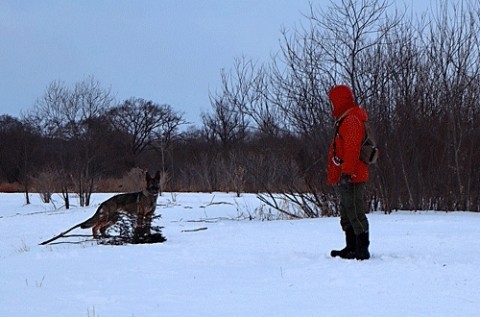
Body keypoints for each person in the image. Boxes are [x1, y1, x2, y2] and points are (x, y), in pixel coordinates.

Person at [327, 85, 370, 260]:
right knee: (346, 212)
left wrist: (346, 173)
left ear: (338, 101)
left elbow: (352, 150)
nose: (330, 105)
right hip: (347, 175)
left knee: (354, 211)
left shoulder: (351, 120)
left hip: (352, 176)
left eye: (332, 102)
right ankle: (351, 246)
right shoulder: (345, 118)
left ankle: (362, 248)